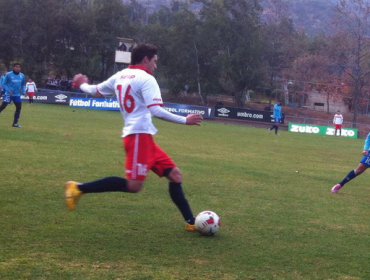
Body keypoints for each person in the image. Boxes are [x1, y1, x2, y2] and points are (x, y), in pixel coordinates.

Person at [65, 44, 203, 231]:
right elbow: (156, 110)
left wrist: (80, 83)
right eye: (154, 61)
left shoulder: (120, 76)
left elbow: (94, 90)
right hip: (139, 137)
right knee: (134, 185)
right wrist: (184, 120)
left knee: (175, 175)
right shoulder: (147, 79)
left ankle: (190, 222)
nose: (155, 65)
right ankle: (78, 188)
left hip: (143, 137)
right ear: (145, 59)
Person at [0, 63, 26, 128]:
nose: (18, 68)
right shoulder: (8, 74)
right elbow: (4, 84)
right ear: (13, 67)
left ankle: (15, 123)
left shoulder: (22, 75)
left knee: (19, 107)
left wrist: (24, 91)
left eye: (19, 67)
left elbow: (23, 85)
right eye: (16, 67)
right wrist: (9, 90)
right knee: (3, 107)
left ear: (20, 68)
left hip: (17, 95)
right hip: (8, 95)